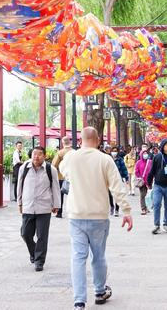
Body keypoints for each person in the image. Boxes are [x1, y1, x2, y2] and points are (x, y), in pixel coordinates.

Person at [60, 127, 133, 310]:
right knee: (98, 256)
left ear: (80, 140)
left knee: (78, 257)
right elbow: (117, 187)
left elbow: (63, 171)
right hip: (99, 216)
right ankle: (100, 291)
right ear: (98, 140)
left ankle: (79, 301)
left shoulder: (71, 157)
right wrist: (126, 211)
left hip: (76, 215)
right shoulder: (105, 159)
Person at [17, 146, 61, 272]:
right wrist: (19, 203)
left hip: (44, 207)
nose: (36, 156)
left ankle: (39, 261)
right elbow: (20, 185)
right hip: (28, 206)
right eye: (34, 154)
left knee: (42, 236)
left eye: (39, 154)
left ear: (44, 156)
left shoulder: (50, 169)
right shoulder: (24, 168)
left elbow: (55, 187)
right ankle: (35, 253)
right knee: (25, 233)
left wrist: (56, 204)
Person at [51, 136, 74, 218]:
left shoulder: (60, 153)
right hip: (73, 177)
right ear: (70, 142)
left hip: (61, 177)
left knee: (60, 195)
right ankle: (73, 211)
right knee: (73, 194)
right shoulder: (75, 152)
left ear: (62, 143)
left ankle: (59, 212)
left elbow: (54, 165)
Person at [110, 147, 129, 217]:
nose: (114, 152)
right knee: (110, 195)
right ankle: (112, 206)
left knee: (117, 195)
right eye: (113, 151)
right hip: (109, 179)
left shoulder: (120, 159)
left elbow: (124, 169)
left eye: (115, 151)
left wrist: (126, 178)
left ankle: (116, 210)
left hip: (118, 179)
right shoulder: (108, 159)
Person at [134, 149, 152, 215]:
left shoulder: (150, 162)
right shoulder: (138, 162)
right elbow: (136, 171)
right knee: (142, 195)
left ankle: (147, 207)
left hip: (149, 181)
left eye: (146, 153)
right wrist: (140, 177)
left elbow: (152, 170)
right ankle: (143, 208)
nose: (145, 155)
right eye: (144, 153)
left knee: (148, 195)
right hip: (142, 182)